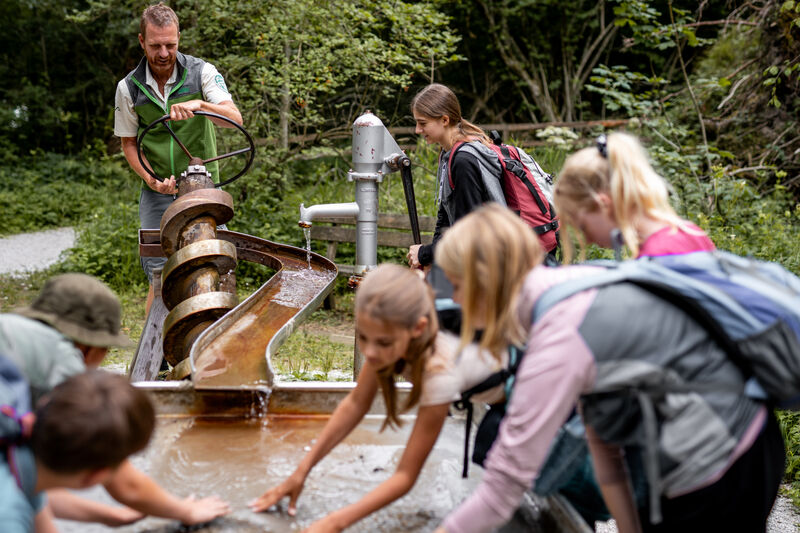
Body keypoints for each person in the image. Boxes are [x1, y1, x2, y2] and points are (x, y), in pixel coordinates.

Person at [433, 204, 783, 533]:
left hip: (723, 459)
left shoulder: (559, 335)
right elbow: (602, 439)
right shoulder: (564, 287)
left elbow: (505, 484)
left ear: (487, 280)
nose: (458, 300)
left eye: (459, 285)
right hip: (732, 442)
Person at [249, 264, 508, 532]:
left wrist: (334, 522)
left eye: (382, 343)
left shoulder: (438, 373)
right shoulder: (386, 336)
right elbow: (356, 404)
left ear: (418, 329)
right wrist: (300, 472)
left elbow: (406, 477)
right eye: (363, 337)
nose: (370, 353)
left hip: (520, 402)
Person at [0, 273, 230, 527]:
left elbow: (26, 483)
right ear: (89, 346)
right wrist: (185, 511)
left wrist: (108, 515)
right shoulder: (63, 360)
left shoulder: (14, 338)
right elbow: (123, 479)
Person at [114, 2, 243, 314]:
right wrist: (150, 178)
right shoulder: (129, 88)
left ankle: (212, 349)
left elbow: (234, 119)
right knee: (159, 275)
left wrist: (201, 104)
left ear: (179, 39)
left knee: (215, 264)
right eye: (156, 45)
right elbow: (129, 143)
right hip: (158, 191)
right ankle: (156, 355)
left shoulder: (202, 73)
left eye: (170, 45)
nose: (163, 53)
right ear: (142, 41)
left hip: (204, 189)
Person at [0, 370, 156, 533]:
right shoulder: (8, 519)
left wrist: (113, 516)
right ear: (96, 476)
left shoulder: (15, 438)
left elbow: (37, 499)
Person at [554, 132, 715, 260]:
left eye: (583, 227)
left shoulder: (655, 258)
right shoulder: (691, 232)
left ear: (603, 204)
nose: (588, 240)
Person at [406, 83, 506, 272]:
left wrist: (425, 253)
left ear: (444, 120)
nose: (417, 130)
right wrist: (428, 261)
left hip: (491, 268)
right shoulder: (449, 155)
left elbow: (467, 233)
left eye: (423, 123)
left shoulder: (463, 161)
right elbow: (445, 217)